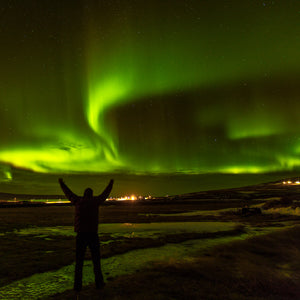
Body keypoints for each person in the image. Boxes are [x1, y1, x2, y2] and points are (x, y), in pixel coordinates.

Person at [58, 178, 114, 293]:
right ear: (92, 195)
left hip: (81, 235)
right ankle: (99, 283)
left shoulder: (78, 201)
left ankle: (77, 287)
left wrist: (62, 184)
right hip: (93, 235)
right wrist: (110, 184)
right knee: (96, 261)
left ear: (84, 194)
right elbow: (105, 194)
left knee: (79, 262)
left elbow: (68, 193)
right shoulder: (95, 201)